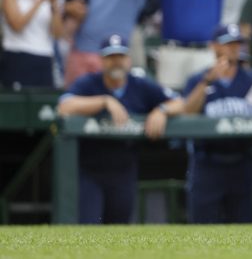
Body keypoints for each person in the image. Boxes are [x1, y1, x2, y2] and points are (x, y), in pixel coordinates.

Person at [57, 34, 185, 224]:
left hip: (124, 168)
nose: (116, 62)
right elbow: (64, 107)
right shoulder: (90, 83)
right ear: (102, 60)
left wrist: (161, 110)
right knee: (87, 229)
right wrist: (104, 101)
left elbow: (180, 103)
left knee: (118, 230)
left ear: (128, 60)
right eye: (111, 57)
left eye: (120, 57)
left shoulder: (139, 84)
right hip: (90, 168)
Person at [181, 24, 252, 224]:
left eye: (237, 43)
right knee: (202, 228)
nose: (234, 48)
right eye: (228, 43)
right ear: (214, 46)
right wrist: (207, 82)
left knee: (243, 228)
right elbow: (187, 113)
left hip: (243, 161)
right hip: (207, 161)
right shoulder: (199, 79)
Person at [0, 0, 63, 88]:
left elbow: (57, 33)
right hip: (18, 56)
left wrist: (54, 6)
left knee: (43, 107)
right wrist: (40, 0)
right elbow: (17, 25)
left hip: (44, 57)